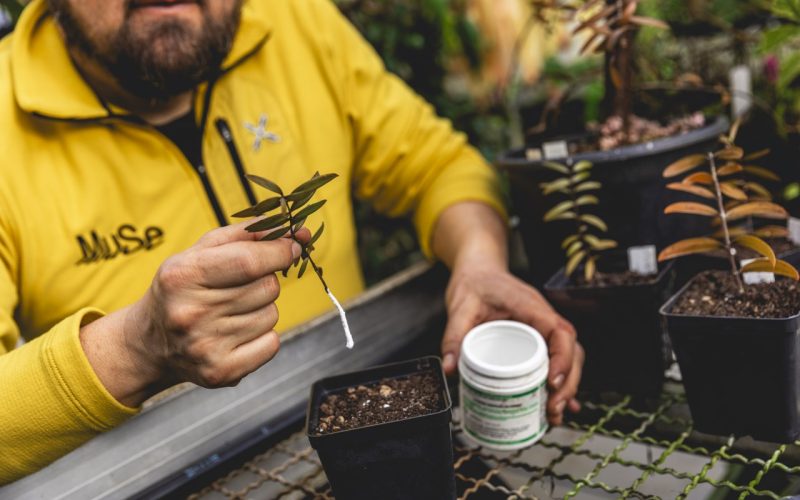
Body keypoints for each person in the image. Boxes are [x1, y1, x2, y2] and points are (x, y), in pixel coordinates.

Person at [0, 0, 583, 483]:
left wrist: (480, 264)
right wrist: (134, 348)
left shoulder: (295, 21)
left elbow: (439, 165)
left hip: (367, 433)